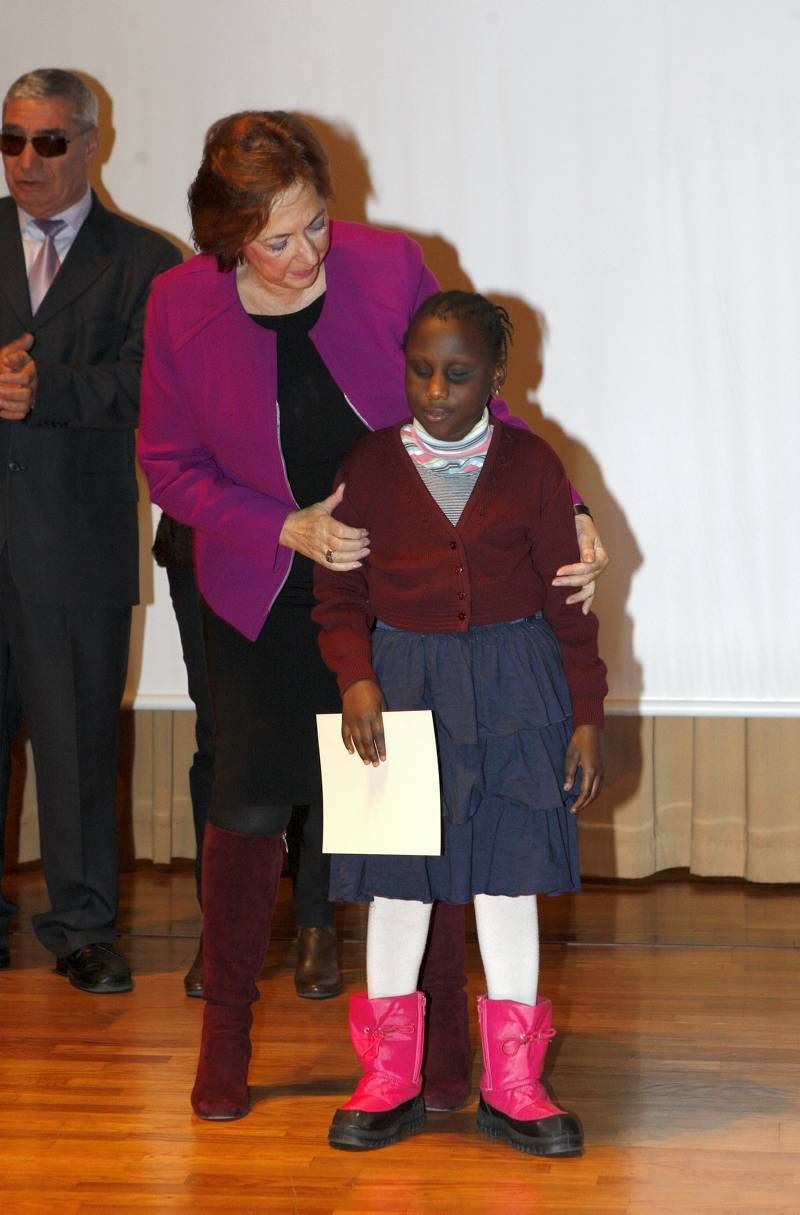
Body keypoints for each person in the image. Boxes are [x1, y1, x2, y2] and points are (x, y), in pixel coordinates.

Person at [137, 110, 607, 1120]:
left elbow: (487, 414)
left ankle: (436, 1055)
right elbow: (168, 467)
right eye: (276, 237)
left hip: (403, 598)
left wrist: (568, 513)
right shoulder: (177, 304)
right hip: (263, 585)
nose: (306, 253)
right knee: (252, 809)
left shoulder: (386, 262)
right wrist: (283, 526)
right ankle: (224, 1036)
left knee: (416, 821)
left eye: (314, 224)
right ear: (226, 237)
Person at [314, 291, 606, 1156]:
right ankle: (388, 1076)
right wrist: (356, 680)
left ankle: (515, 1082)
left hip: (518, 695)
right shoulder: (366, 465)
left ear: (498, 379)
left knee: (507, 883)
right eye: (421, 368)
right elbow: (336, 592)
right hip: (402, 690)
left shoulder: (534, 464)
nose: (436, 388)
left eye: (459, 373)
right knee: (399, 887)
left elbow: (572, 602)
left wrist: (586, 714)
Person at [0, 69, 180, 989]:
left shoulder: (147, 261)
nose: (27, 162)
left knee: (74, 742)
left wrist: (49, 390)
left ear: (91, 142)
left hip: (75, 542)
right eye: (11, 141)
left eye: (48, 142)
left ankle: (81, 927)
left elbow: (159, 390)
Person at [152, 512, 345, 1001]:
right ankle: (220, 932)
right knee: (221, 737)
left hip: (318, 539)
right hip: (207, 538)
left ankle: (317, 926)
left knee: (323, 736)